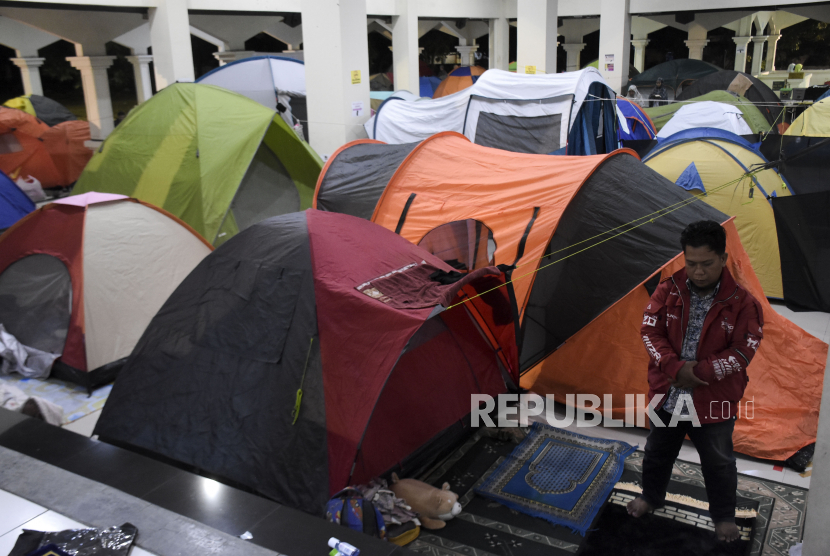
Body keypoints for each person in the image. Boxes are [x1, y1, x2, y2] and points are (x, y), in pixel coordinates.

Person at [627, 220, 764, 543]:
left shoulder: (744, 304)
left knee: (719, 462)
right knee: (657, 452)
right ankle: (651, 496)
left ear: (723, 258)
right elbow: (650, 331)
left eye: (707, 263)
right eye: (691, 264)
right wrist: (674, 368)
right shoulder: (668, 290)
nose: (698, 272)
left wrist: (699, 374)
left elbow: (743, 351)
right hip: (668, 393)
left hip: (714, 398)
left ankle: (723, 516)